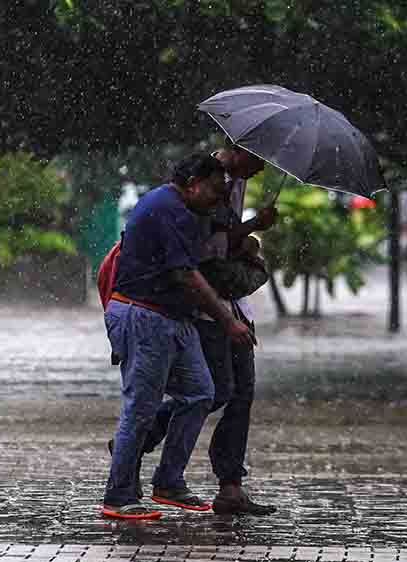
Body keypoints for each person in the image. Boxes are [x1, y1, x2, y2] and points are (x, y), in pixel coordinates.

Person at [102, 153, 254, 520]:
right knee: (140, 406)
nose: (218, 200)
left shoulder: (187, 211)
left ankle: (168, 481)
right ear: (193, 183)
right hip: (144, 316)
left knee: (203, 392)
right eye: (215, 192)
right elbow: (186, 274)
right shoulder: (167, 207)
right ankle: (118, 497)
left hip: (173, 318)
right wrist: (227, 321)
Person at [139, 140, 278, 516]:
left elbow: (224, 245)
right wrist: (251, 228)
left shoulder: (237, 181)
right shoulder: (204, 182)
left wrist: (248, 237)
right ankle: (141, 437)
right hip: (208, 306)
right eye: (259, 158)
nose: (263, 168)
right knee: (214, 391)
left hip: (234, 302)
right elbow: (202, 248)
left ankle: (230, 487)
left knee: (242, 393)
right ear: (238, 148)